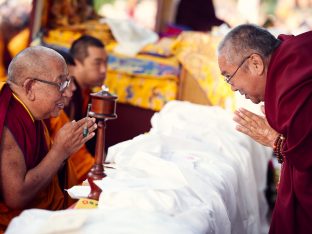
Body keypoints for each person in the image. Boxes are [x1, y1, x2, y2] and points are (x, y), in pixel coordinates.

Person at [217, 24, 312, 234]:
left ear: (255, 63)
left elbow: (308, 157)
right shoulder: (292, 60)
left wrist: (274, 140)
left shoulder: (291, 83)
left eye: (229, 77)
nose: (232, 87)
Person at [0, 46, 97, 231]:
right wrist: (60, 151)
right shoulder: (7, 119)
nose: (68, 93)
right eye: (60, 84)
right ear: (30, 87)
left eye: (67, 84)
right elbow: (15, 196)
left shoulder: (30, 113)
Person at [46, 48, 95, 183]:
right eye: (65, 82)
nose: (72, 88)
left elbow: (81, 162)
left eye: (72, 81)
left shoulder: (57, 112)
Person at [65, 35, 107, 155]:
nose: (104, 70)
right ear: (77, 63)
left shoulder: (89, 95)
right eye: (97, 63)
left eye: (105, 62)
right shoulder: (66, 95)